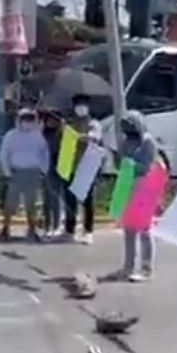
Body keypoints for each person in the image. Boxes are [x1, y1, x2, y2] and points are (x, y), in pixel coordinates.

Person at [116, 111, 159, 282]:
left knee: (144, 230)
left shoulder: (148, 142)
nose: (128, 133)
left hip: (144, 185)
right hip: (128, 184)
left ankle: (146, 269)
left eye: (131, 128)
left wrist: (131, 164)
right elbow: (123, 162)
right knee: (129, 229)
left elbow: (147, 166)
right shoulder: (127, 142)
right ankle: (128, 266)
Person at [0, 108, 50, 242]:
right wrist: (7, 172)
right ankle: (5, 228)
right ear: (19, 120)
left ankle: (32, 229)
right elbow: (3, 154)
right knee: (10, 203)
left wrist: (43, 171)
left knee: (31, 204)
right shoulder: (11, 136)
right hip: (15, 172)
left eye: (31, 119)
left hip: (32, 173)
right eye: (25, 119)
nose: (28, 122)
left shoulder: (38, 136)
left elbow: (45, 155)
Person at [63, 94, 102, 244]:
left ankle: (88, 231)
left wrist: (80, 137)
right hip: (72, 166)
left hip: (87, 167)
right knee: (70, 201)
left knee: (88, 201)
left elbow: (94, 137)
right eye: (78, 105)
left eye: (83, 104)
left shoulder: (93, 123)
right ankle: (69, 230)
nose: (80, 108)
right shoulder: (71, 124)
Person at [40, 110, 65, 239]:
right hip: (45, 169)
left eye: (53, 120)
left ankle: (56, 225)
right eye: (48, 120)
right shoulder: (43, 134)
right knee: (46, 201)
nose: (50, 122)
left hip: (58, 168)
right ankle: (46, 226)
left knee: (56, 199)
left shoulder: (62, 134)